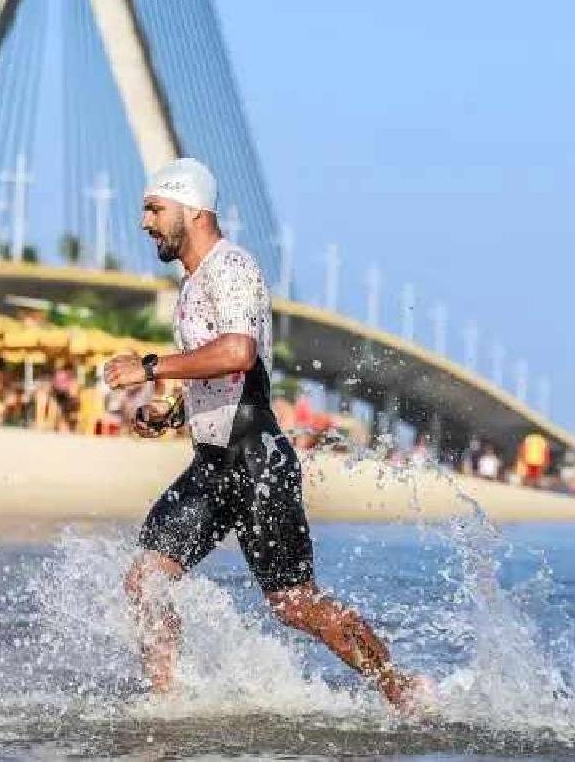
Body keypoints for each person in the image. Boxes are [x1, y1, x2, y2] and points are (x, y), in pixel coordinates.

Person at [103, 158, 428, 711]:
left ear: (193, 210)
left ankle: (401, 689)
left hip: (256, 461)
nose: (145, 222)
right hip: (213, 461)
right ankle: (168, 704)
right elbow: (227, 374)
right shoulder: (194, 283)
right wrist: (176, 411)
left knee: (296, 605)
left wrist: (152, 366)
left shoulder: (230, 267)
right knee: (145, 582)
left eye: (155, 208)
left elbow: (238, 352)